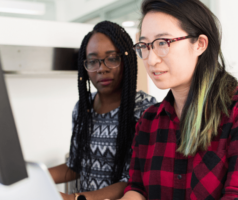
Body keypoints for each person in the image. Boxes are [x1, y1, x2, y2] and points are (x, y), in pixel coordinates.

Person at [118, 0, 238, 199]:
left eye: (163, 43)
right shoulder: (149, 120)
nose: (151, 59)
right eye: (145, 45)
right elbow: (137, 189)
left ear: (200, 44)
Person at [48, 21, 157, 200]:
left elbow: (134, 181)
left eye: (112, 58)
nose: (102, 69)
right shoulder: (83, 109)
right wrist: (32, 176)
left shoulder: (145, 110)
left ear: (126, 60)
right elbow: (75, 167)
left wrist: (74, 198)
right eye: (92, 61)